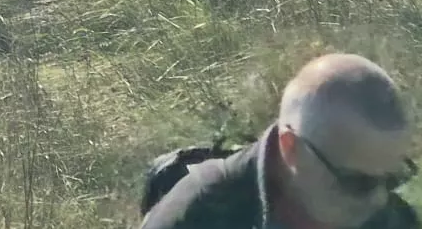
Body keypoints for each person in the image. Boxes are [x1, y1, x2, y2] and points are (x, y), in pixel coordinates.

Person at [141, 53, 417, 229]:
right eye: (357, 182)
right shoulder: (200, 215)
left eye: (394, 179)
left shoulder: (391, 219)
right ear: (291, 149)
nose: (379, 199)